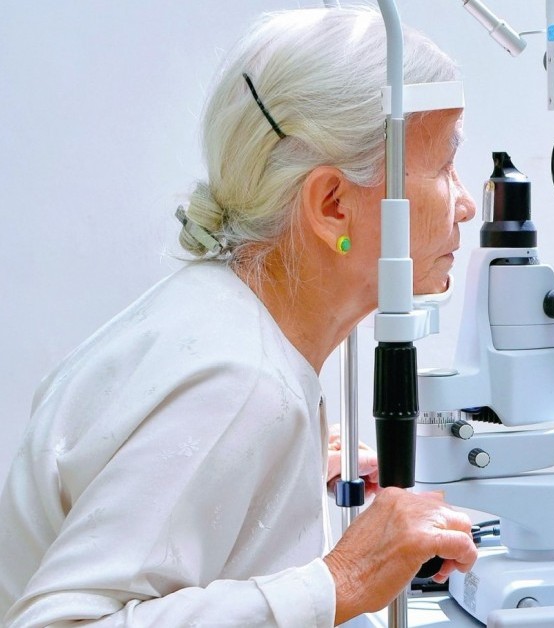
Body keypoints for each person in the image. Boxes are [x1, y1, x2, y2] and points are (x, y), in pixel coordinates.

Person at [0, 6, 479, 627]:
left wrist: (272, 475)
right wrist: (345, 579)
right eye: (444, 167)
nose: (466, 204)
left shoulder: (219, 318)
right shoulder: (239, 382)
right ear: (333, 205)